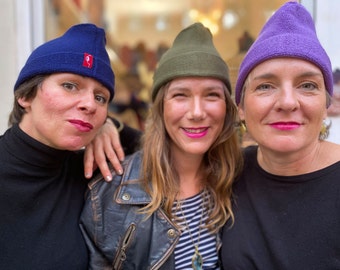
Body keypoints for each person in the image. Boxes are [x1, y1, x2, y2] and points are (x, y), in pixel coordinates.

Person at [80, 22, 243, 269]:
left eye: (212, 95)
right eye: (180, 95)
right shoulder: (110, 194)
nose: (197, 112)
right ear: (161, 108)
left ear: (227, 108)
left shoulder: (240, 180)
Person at [0, 23, 140, 269]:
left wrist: (111, 125)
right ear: (25, 96)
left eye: (100, 98)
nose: (90, 105)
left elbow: (165, 150)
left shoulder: (91, 174)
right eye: (69, 85)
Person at [220, 2, 340, 269]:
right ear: (240, 107)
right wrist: (107, 126)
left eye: (307, 85)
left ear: (326, 106)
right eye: (266, 86)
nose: (287, 102)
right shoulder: (228, 173)